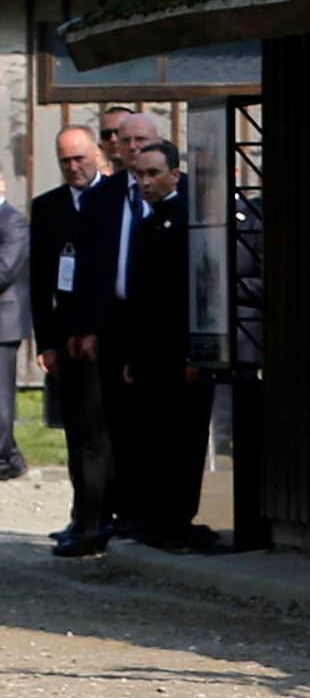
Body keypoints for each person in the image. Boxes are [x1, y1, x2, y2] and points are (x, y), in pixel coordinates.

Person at [71, 108, 162, 545]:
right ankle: (125, 512)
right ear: (115, 148)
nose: (133, 147)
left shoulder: (169, 190)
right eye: (125, 141)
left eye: (141, 139)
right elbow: (88, 268)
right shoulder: (101, 199)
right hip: (115, 319)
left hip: (159, 321)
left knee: (157, 419)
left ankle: (156, 510)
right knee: (117, 421)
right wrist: (86, 326)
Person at [121, 139, 208, 550]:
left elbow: (197, 292)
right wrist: (133, 356)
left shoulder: (190, 221)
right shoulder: (146, 224)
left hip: (181, 353)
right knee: (153, 439)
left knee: (182, 440)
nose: (145, 182)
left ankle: (178, 520)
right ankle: (155, 519)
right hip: (151, 353)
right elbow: (140, 297)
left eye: (153, 173)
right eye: (139, 175)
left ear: (175, 174)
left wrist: (196, 350)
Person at [32, 126, 107, 548]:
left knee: (102, 432)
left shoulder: (114, 198)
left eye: (80, 158)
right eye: (66, 161)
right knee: (77, 430)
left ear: (96, 154)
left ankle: (98, 520)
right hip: (66, 336)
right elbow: (42, 282)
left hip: (106, 334)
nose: (74, 167)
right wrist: (47, 342)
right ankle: (83, 516)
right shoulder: (48, 207)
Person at [0, 175, 29, 482]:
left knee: (0, 397)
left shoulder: (13, 222)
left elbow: (6, 269)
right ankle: (13, 458)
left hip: (3, 321)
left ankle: (3, 460)